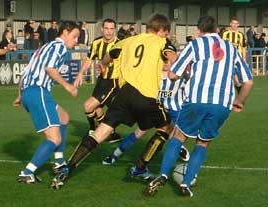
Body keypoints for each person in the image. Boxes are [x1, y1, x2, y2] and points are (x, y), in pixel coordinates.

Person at [51, 14, 178, 190]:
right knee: (166, 127)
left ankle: (68, 168)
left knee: (100, 132)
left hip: (123, 95)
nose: (166, 36)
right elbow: (172, 57)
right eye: (166, 33)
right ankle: (139, 168)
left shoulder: (129, 41)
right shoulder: (161, 42)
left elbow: (109, 55)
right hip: (146, 97)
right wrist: (177, 69)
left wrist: (102, 65)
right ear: (161, 30)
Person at [145, 16, 253, 198]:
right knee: (203, 143)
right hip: (222, 103)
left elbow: (172, 74)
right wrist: (239, 101)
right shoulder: (231, 48)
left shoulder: (195, 45)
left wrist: (177, 74)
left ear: (198, 31)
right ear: (218, 30)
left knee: (178, 136)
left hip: (196, 100)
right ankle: (186, 184)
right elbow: (248, 81)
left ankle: (162, 175)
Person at [13, 21, 79, 184]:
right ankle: (27, 172)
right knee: (54, 139)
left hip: (31, 92)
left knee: (63, 117)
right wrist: (68, 86)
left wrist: (20, 95)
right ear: (65, 32)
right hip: (38, 92)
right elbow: (50, 68)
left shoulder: (44, 47)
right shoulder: (59, 47)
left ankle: (58, 162)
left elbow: (25, 72)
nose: (76, 40)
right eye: (75, 36)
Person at [74, 18, 121, 143]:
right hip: (101, 81)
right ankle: (112, 134)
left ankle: (93, 130)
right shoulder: (96, 43)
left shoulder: (120, 44)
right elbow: (89, 59)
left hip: (113, 82)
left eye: (112, 29)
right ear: (102, 29)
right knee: (98, 109)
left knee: (88, 106)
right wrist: (80, 74)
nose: (109, 32)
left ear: (115, 30)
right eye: (106, 28)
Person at [222, 17, 247, 93]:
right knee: (231, 78)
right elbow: (220, 45)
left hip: (237, 58)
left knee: (237, 80)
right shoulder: (225, 33)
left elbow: (243, 47)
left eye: (236, 24)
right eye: (233, 23)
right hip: (226, 58)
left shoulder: (240, 35)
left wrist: (244, 59)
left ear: (238, 25)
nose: (234, 25)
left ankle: (238, 95)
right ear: (230, 24)